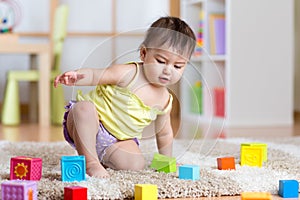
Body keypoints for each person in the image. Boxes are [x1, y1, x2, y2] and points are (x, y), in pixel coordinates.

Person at [54, 16, 196, 178]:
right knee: (83, 108)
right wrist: (77, 76)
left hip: (118, 141)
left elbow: (164, 133)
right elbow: (96, 75)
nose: (168, 70)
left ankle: (103, 158)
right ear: (144, 53)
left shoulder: (165, 101)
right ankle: (90, 162)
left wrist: (167, 160)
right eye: (161, 61)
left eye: (177, 66)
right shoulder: (129, 73)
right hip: (91, 123)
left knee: (136, 164)